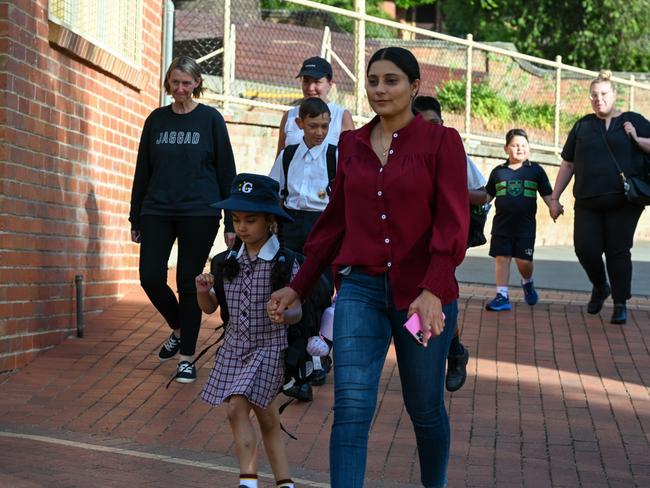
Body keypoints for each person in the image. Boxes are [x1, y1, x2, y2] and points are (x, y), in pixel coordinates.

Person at [268, 47, 469, 488]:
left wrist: (434, 289)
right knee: (352, 407)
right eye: (373, 80)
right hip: (360, 293)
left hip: (421, 300)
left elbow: (454, 223)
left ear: (414, 87)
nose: (380, 89)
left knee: (424, 405)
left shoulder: (442, 143)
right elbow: (333, 223)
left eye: (391, 80)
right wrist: (298, 287)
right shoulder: (353, 145)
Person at [129, 56, 236, 383]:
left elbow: (226, 171)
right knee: (149, 276)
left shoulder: (210, 119)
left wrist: (231, 222)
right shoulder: (156, 120)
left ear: (197, 83)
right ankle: (178, 326)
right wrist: (136, 215)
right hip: (157, 209)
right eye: (175, 82)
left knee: (189, 282)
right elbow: (143, 170)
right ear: (168, 83)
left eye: (186, 83)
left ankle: (187, 357)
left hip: (199, 212)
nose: (180, 89)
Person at [198, 174, 301, 488]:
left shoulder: (285, 262)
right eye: (236, 219)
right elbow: (211, 308)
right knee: (264, 415)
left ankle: (248, 481)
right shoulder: (226, 261)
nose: (242, 227)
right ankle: (283, 482)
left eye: (251, 220)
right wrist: (203, 291)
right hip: (233, 347)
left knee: (237, 406)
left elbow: (297, 311)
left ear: (270, 221)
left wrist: (285, 313)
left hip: (269, 347)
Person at [550, 70, 650, 324]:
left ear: (614, 95)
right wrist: (554, 197)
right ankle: (600, 286)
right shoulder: (582, 125)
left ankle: (620, 303)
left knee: (618, 251)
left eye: (604, 94)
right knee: (585, 248)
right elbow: (568, 164)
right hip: (587, 201)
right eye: (594, 95)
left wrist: (636, 139)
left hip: (625, 201)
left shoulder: (633, 120)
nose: (599, 99)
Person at [412, 95, 488, 392]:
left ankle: (448, 354)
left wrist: (447, 187)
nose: (430, 131)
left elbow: (482, 194)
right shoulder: (397, 152)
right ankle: (445, 351)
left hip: (442, 243)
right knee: (413, 301)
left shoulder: (452, 151)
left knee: (438, 294)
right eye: (422, 125)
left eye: (435, 123)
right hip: (405, 244)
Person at [270, 97, 337, 400]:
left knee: (319, 293)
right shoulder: (287, 156)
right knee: (293, 291)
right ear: (299, 125)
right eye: (313, 126)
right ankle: (302, 366)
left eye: (324, 125)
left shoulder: (336, 156)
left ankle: (316, 354)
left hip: (324, 227)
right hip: (292, 227)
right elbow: (273, 192)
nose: (320, 132)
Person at [484, 129, 553, 311]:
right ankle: (502, 295)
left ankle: (527, 282)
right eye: (514, 145)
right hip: (501, 225)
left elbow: (547, 194)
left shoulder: (535, 170)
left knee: (524, 261)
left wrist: (554, 206)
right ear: (506, 148)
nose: (519, 149)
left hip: (525, 227)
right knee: (502, 258)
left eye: (523, 145)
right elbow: (487, 196)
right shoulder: (498, 172)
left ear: (529, 148)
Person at [276, 56, 354, 154]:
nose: (310, 88)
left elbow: (351, 159)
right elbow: (280, 160)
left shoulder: (341, 116)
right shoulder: (289, 116)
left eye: (317, 82)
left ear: (330, 84)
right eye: (306, 81)